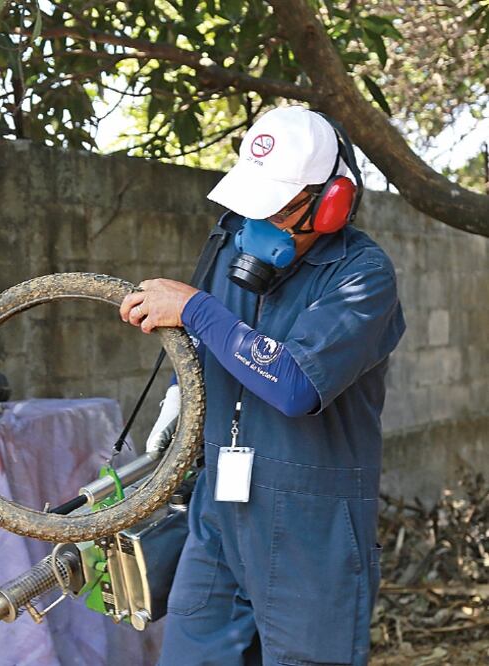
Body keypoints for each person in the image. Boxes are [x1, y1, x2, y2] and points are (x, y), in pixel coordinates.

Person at [119, 106, 406, 666]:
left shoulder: (362, 276)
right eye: (250, 208)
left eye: (275, 210)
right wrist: (183, 392)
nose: (255, 229)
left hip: (312, 529)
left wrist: (197, 310)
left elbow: (296, 384)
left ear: (331, 203)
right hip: (221, 512)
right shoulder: (233, 246)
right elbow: (215, 345)